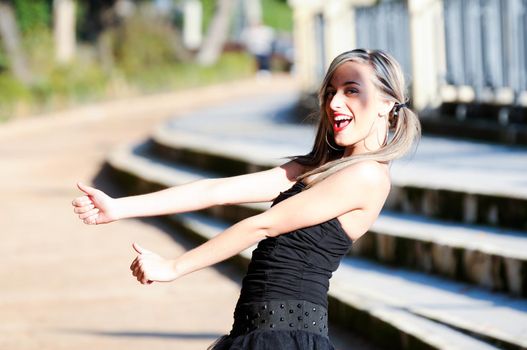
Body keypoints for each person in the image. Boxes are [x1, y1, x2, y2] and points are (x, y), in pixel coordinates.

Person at [71, 49, 421, 349]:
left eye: (351, 90)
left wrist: (173, 268)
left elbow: (262, 225)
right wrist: (120, 207)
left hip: (287, 337)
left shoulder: (368, 175)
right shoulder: (314, 168)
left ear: (386, 103)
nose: (334, 103)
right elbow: (215, 190)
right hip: (256, 330)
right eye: (330, 92)